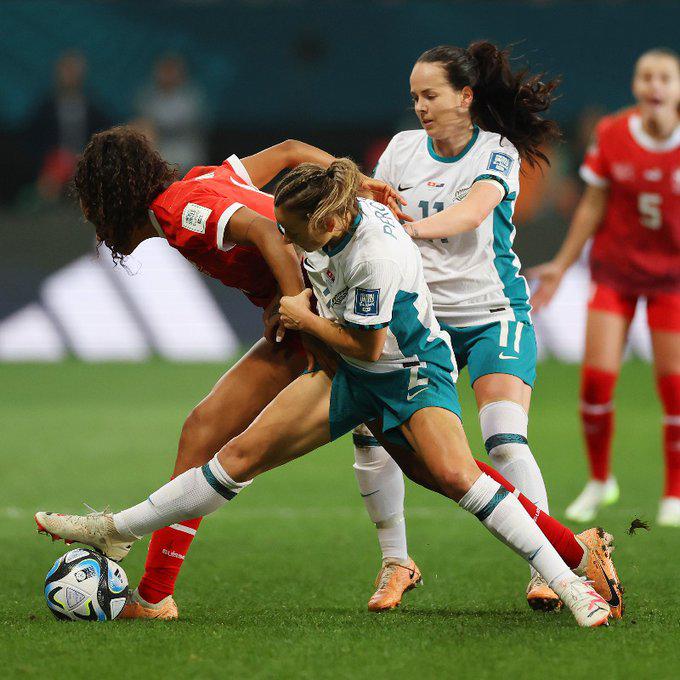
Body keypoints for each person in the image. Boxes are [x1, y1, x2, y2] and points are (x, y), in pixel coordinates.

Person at [37, 159, 621, 628]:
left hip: (402, 370)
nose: (284, 238)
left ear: (328, 224)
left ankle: (571, 574)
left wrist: (296, 310)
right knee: (235, 454)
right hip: (345, 363)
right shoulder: (308, 218)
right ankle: (118, 533)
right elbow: (290, 169)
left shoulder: (368, 254)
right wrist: (304, 291)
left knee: (453, 474)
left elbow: (362, 338)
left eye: (293, 232)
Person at [71, 127, 404, 618]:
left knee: (434, 459)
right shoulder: (204, 181)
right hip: (327, 305)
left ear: (112, 200)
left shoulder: (179, 211)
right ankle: (155, 595)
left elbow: (268, 231)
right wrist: (352, 182)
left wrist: (295, 308)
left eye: (91, 206)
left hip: (338, 313)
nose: (93, 221)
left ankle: (152, 588)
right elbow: (289, 151)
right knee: (205, 430)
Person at [351, 42, 564, 612]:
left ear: (465, 97)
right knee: (371, 433)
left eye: (431, 95)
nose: (420, 106)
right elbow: (371, 212)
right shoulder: (401, 149)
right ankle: (396, 562)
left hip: (492, 313)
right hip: (422, 320)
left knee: (503, 437)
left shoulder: (496, 150)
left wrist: (407, 230)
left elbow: (472, 213)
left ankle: (546, 565)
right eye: (414, 97)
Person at [528, 48, 680, 526]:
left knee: (674, 388)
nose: (655, 85)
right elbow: (593, 205)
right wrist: (561, 264)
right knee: (595, 382)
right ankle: (600, 480)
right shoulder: (613, 134)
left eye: (665, 77)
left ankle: (674, 492)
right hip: (615, 273)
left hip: (671, 279)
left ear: (677, 88)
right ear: (636, 85)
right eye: (646, 77)